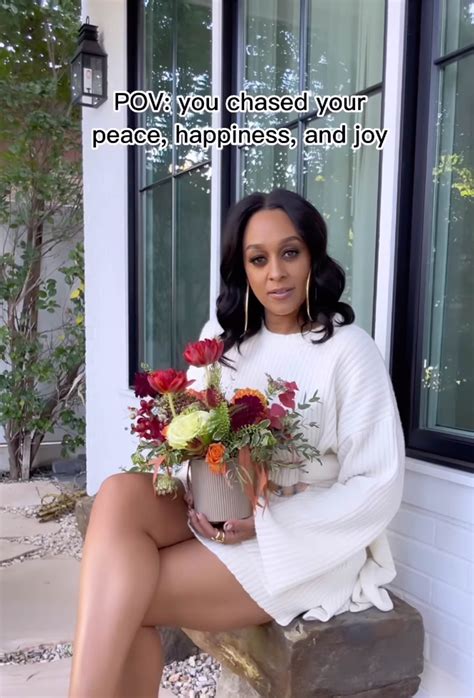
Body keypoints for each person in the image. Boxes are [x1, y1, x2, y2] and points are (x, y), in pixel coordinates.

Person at [68, 188, 405, 698]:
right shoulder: (225, 341)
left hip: (304, 542)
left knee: (121, 599)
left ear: (313, 255)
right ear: (241, 268)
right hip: (219, 511)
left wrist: (266, 524)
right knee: (118, 493)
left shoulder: (348, 351)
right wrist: (197, 491)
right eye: (258, 259)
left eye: (290, 253)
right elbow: (190, 440)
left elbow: (378, 486)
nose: (276, 273)